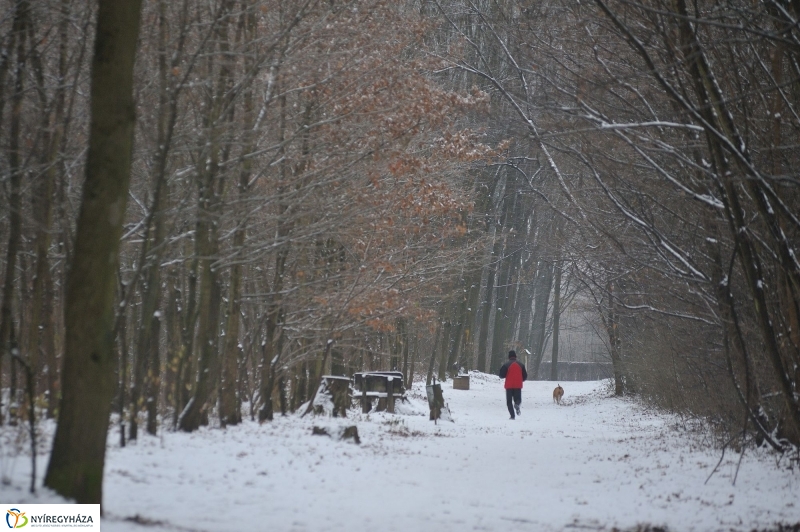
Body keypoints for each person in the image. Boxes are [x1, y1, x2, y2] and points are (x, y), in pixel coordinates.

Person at [498, 350, 527, 420]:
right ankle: (517, 404)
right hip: (518, 385)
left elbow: (501, 375)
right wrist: (520, 380)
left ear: (509, 357)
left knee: (509, 402)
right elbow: (525, 376)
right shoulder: (521, 365)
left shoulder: (506, 365)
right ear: (515, 356)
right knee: (518, 399)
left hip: (509, 386)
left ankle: (512, 416)